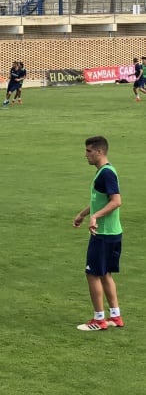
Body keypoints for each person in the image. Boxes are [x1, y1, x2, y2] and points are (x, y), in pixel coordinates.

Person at [73, 136, 125, 331]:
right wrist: (83, 214)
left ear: (99, 152)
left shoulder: (106, 174)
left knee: (92, 274)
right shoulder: (105, 172)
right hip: (111, 232)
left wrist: (95, 218)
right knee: (105, 274)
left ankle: (99, 320)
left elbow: (116, 201)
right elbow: (100, 201)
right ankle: (115, 317)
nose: (85, 155)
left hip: (103, 234)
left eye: (88, 151)